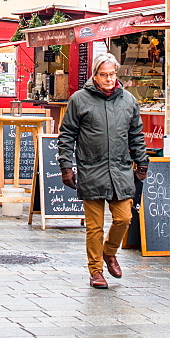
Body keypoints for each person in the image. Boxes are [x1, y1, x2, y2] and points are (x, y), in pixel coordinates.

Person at [58, 53, 149, 289]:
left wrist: (142, 161)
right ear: (95, 76)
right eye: (104, 75)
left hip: (119, 169)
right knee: (94, 226)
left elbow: (136, 134)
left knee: (124, 217)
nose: (109, 79)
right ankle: (96, 271)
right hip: (91, 168)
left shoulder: (128, 100)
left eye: (112, 74)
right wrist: (66, 166)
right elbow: (67, 135)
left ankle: (110, 252)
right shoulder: (79, 100)